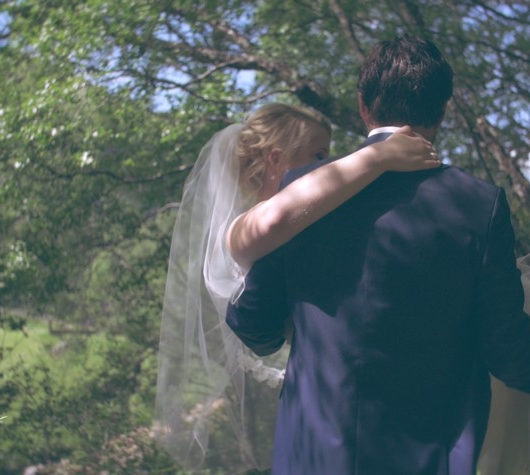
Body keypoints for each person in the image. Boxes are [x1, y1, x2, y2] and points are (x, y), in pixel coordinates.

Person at [225, 36, 530, 474]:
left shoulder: (304, 195)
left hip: (312, 454)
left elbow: (255, 327)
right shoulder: (479, 205)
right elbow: (508, 351)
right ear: (441, 112)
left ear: (364, 106)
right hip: (432, 455)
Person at [154, 103, 441, 473]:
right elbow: (275, 220)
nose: (328, 164)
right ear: (276, 159)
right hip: (317, 401)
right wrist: (379, 155)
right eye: (319, 155)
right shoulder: (245, 226)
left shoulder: (314, 221)